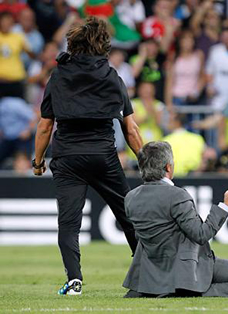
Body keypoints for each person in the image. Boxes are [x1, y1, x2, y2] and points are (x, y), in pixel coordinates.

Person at [33, 17, 143, 295]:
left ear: (73, 44)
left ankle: (74, 281)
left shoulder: (58, 75)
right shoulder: (112, 76)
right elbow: (130, 129)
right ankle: (146, 274)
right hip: (103, 156)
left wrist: (37, 161)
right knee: (128, 216)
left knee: (68, 224)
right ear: (103, 46)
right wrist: (145, 161)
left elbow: (45, 125)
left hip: (67, 158)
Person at [123, 141, 228, 298]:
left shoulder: (131, 197)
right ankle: (190, 292)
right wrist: (226, 207)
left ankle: (166, 289)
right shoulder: (177, 195)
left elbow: (141, 238)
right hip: (188, 267)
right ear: (168, 167)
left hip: (151, 272)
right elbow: (201, 234)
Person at [0, 11, 34, 98]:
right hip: (1, 81)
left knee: (18, 108)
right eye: (4, 21)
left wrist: (26, 44)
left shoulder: (19, 37)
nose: (6, 24)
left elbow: (32, 54)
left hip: (17, 80)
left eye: (9, 22)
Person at [0, 97, 37, 169]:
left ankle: (23, 178)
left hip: (22, 139)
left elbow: (33, 118)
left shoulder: (16, 104)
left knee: (21, 160)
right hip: (7, 138)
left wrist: (27, 131)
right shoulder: (2, 104)